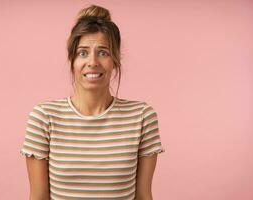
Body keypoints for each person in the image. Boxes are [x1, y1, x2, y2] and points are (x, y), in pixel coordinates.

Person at [20, 4, 165, 200]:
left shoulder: (142, 116)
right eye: (83, 52)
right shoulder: (44, 117)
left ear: (115, 60)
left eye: (103, 52)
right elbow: (38, 197)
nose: (93, 62)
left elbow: (143, 196)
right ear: (72, 61)